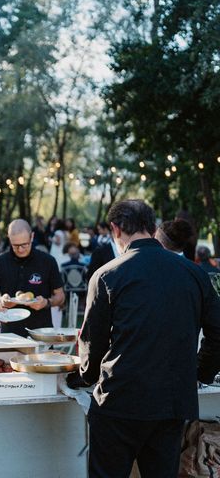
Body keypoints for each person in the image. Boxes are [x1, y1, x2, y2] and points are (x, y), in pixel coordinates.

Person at [75, 199, 220, 478]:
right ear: (153, 229)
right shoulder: (193, 273)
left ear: (116, 230)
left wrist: (87, 374)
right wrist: (198, 372)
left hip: (121, 400)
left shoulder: (107, 276)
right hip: (172, 400)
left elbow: (92, 344)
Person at [0, 219, 65, 337]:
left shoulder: (48, 261)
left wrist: (46, 302)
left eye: (24, 245)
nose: (20, 249)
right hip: (10, 333)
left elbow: (60, 297)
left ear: (32, 236)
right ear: (9, 239)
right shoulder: (0, 261)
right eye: (15, 245)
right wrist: (2, 300)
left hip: (41, 331)